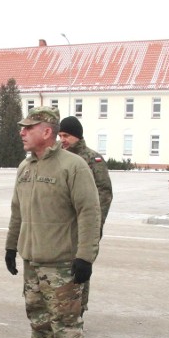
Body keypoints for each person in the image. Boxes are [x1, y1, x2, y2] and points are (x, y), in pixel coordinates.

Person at [5, 107, 101, 338]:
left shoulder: (72, 166)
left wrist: (85, 256)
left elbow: (90, 211)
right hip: (32, 262)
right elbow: (17, 211)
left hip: (62, 264)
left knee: (67, 324)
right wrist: (11, 247)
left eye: (28, 127)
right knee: (39, 321)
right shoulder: (25, 167)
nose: (22, 132)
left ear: (46, 131)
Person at [58, 115, 113, 314]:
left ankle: (79, 309)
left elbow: (104, 194)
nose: (62, 139)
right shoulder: (58, 157)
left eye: (66, 135)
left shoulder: (92, 159)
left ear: (77, 136)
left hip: (84, 226)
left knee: (80, 266)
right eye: (60, 135)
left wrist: (96, 226)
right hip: (62, 227)